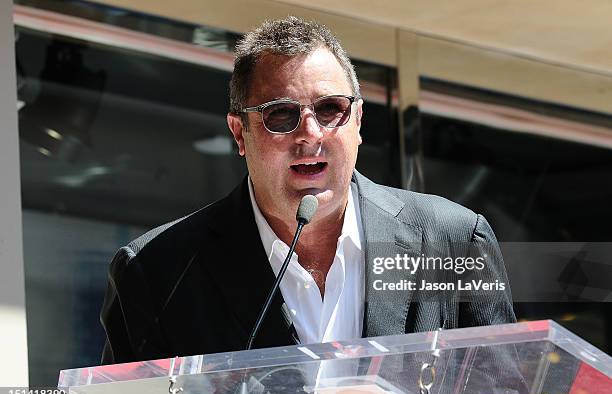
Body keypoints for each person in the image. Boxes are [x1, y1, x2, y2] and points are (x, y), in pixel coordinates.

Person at [100, 16, 515, 366]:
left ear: (357, 121)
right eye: (281, 114)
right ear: (239, 133)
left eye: (330, 109)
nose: (310, 134)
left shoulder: (454, 241)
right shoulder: (156, 272)